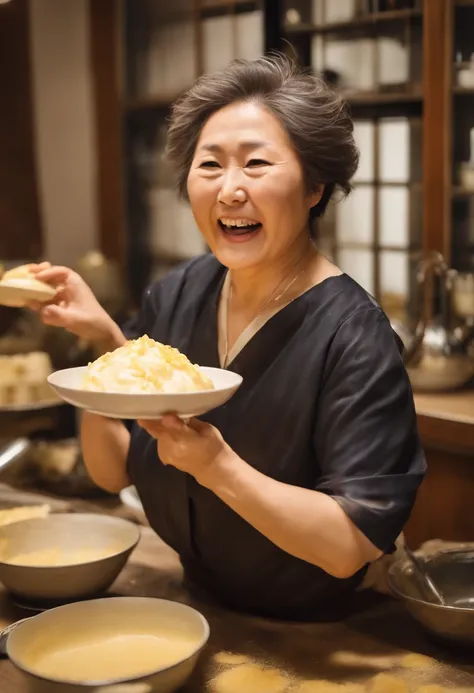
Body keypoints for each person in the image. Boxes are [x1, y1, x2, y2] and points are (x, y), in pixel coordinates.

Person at [29, 54, 425, 621]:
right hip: (198, 608)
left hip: (321, 630)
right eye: (209, 165)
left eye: (257, 164)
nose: (230, 189)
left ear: (315, 186)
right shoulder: (179, 294)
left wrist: (218, 466)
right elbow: (111, 471)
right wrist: (105, 353)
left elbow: (349, 545)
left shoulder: (353, 336)